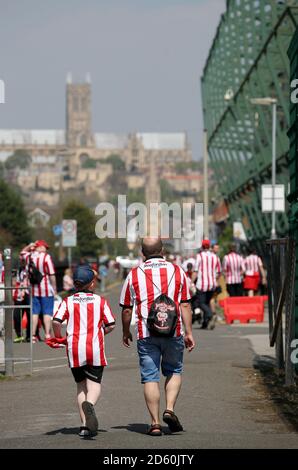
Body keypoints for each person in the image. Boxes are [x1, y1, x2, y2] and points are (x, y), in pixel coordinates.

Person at [120, 237, 195, 436]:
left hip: (146, 334)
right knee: (174, 370)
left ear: (142, 253)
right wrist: (188, 332)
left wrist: (125, 331)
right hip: (174, 331)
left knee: (150, 377)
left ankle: (154, 423)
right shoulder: (178, 271)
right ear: (163, 250)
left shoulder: (134, 274)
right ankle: (169, 409)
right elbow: (185, 304)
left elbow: (127, 309)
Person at [52, 266, 115, 438]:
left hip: (74, 348)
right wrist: (101, 332)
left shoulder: (68, 301)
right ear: (92, 284)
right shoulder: (100, 301)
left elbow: (56, 321)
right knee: (94, 384)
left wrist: (58, 337)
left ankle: (84, 426)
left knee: (81, 385)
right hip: (94, 348)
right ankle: (90, 404)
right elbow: (111, 324)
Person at [20, 240, 57, 342]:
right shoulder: (46, 257)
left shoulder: (29, 256)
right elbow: (52, 274)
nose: (45, 249)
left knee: (34, 312)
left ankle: (32, 335)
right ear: (40, 247)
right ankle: (47, 334)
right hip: (46, 288)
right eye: (45, 247)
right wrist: (54, 288)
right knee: (47, 312)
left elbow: (22, 253)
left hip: (33, 288)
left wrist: (29, 245)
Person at [193, 239, 221, 329]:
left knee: (201, 303)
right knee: (207, 302)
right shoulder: (215, 257)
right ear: (209, 246)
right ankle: (205, 323)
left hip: (202, 284)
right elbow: (218, 272)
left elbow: (196, 271)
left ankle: (211, 315)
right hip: (212, 284)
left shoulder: (200, 256)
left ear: (202, 246)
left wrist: (191, 281)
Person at [13, 260, 31, 343]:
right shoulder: (19, 269)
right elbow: (16, 282)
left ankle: (29, 336)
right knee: (16, 315)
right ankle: (19, 335)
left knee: (29, 314)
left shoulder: (31, 269)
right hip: (19, 294)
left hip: (28, 293)